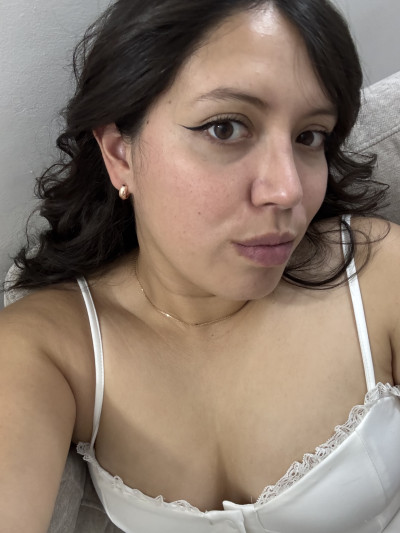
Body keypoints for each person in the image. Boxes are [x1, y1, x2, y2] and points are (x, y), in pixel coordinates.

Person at [1, 0, 399, 531]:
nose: (287, 191)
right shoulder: (49, 347)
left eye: (310, 137)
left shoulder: (378, 273)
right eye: (226, 128)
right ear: (120, 153)